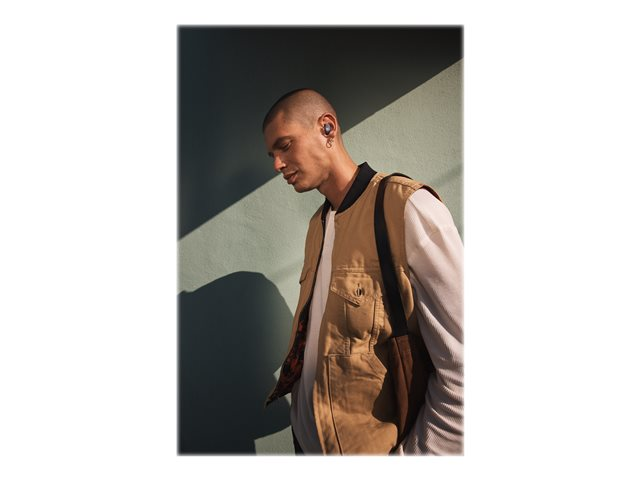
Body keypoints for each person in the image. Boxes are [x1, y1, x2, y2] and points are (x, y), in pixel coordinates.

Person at [262, 88, 463, 455]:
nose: (277, 164)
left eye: (285, 146)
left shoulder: (407, 208)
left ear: (327, 128)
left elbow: (463, 370)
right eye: (272, 155)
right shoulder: (318, 224)